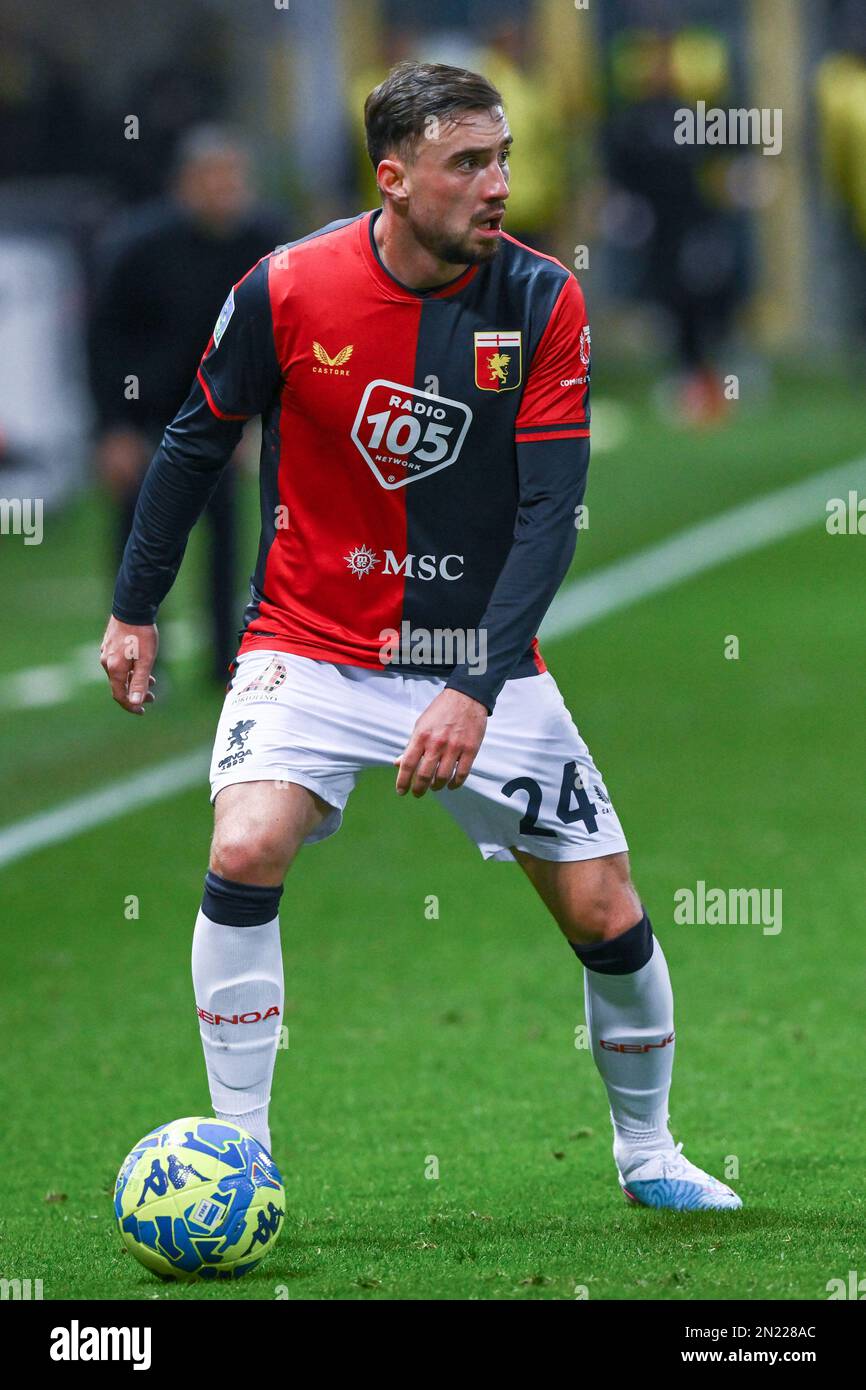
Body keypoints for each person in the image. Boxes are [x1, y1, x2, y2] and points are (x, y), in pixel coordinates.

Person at [100, 62, 741, 1212]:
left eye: (501, 158)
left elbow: (549, 513)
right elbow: (197, 440)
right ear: (391, 179)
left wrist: (479, 683)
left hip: (473, 656)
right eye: (468, 164)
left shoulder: (544, 299)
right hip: (306, 640)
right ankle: (238, 1155)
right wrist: (134, 604)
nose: (499, 184)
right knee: (244, 847)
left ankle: (646, 1151)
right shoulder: (286, 288)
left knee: (601, 908)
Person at [89, 124, 287, 681]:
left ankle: (227, 656)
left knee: (227, 538)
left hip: (222, 419)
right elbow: (103, 340)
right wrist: (113, 428)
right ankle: (132, 651)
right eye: (214, 179)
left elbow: (281, 338)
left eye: (234, 179)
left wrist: (260, 423)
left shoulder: (265, 242)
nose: (226, 191)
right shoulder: (137, 246)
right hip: (148, 416)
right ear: (186, 182)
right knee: (140, 537)